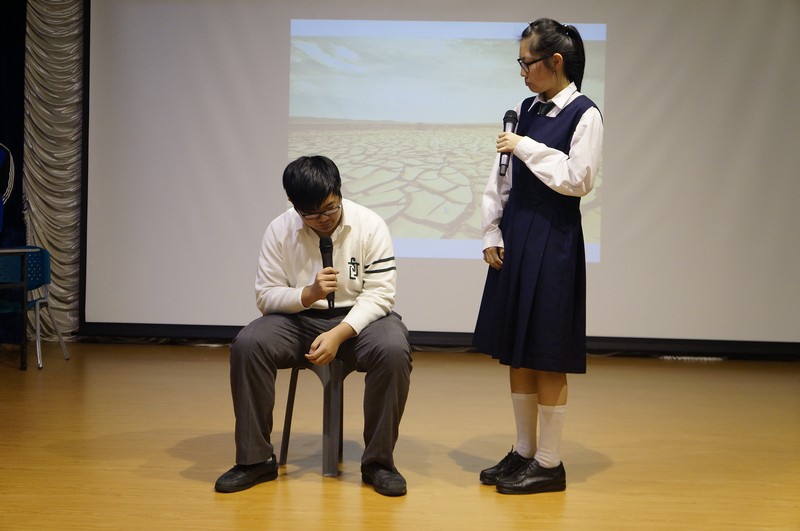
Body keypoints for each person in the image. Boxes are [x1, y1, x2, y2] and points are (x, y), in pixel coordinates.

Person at [215, 155, 412, 497]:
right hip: (298, 319)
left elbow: (381, 294)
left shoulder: (370, 224)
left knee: (393, 349)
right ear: (294, 206)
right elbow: (266, 296)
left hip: (361, 320)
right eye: (311, 213)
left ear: (339, 192)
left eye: (330, 208)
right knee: (248, 344)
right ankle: (254, 460)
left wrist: (339, 333)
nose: (323, 218)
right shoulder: (279, 229)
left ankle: (378, 463)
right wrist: (308, 294)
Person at [472, 19, 603, 495]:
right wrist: (492, 229)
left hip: (554, 239)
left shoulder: (585, 114)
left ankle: (549, 463)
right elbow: (501, 176)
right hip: (517, 235)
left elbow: (578, 179)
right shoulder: (525, 109)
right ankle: (524, 451)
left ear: (556, 62)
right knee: (518, 349)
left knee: (547, 352)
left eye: (527, 63)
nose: (522, 72)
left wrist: (526, 146)